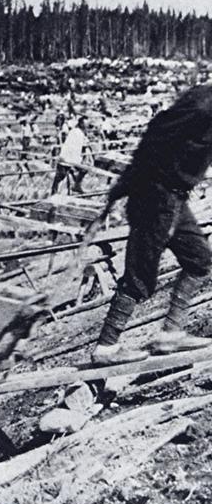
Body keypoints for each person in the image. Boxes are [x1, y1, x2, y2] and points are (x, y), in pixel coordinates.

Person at [91, 85, 212, 365]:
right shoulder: (203, 106)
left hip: (175, 198)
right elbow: (156, 135)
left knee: (199, 261)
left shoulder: (204, 101)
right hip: (157, 197)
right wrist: (126, 184)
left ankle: (171, 333)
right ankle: (106, 347)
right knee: (140, 276)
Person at [51, 117, 91, 194]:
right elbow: (72, 146)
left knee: (84, 169)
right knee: (60, 176)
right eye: (86, 124)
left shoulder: (81, 133)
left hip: (74, 158)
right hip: (67, 157)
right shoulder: (75, 132)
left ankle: (77, 185)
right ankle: (53, 192)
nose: (87, 125)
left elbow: (83, 145)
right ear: (81, 124)